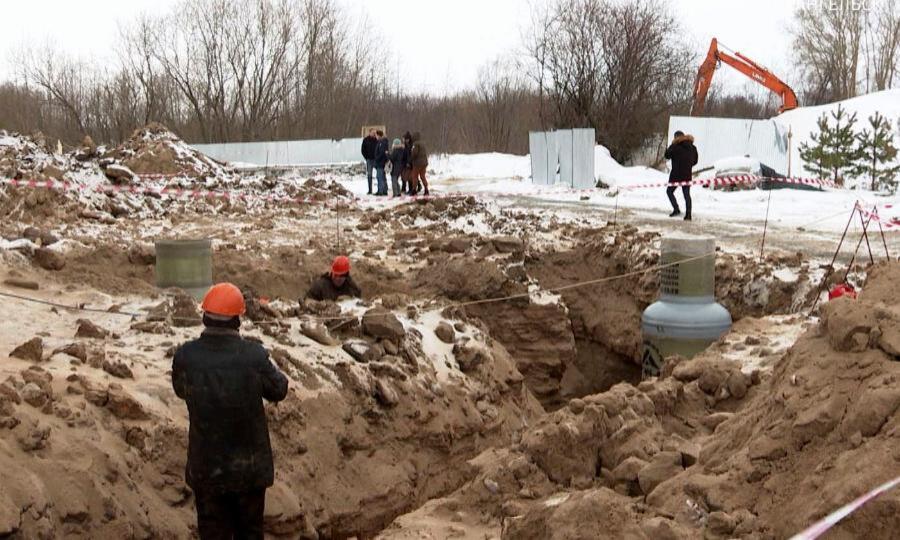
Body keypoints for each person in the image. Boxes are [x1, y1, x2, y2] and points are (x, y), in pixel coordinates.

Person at [172, 282, 289, 539]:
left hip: (207, 470)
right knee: (250, 533)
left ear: (204, 317)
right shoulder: (254, 356)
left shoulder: (186, 357)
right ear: (238, 319)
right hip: (249, 471)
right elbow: (279, 389)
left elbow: (181, 390)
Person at [664, 130, 698, 221]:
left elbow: (667, 155)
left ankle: (676, 209)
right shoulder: (693, 147)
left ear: (676, 138)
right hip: (687, 174)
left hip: (675, 174)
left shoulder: (675, 146)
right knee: (686, 194)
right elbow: (695, 161)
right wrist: (687, 166)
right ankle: (688, 214)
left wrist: (672, 145)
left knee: (669, 191)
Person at [408, 131, 429, 196]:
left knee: (415, 177)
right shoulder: (423, 143)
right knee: (423, 176)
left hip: (417, 163)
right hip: (424, 163)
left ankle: (414, 190)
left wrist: (410, 160)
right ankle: (426, 189)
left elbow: (414, 154)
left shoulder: (415, 144)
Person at [361, 128, 378, 195]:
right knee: (369, 175)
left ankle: (381, 189)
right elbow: (363, 150)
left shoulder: (376, 140)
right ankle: (370, 190)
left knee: (379, 174)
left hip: (376, 159)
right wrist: (366, 157)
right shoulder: (365, 140)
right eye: (373, 132)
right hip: (369, 160)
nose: (374, 134)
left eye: (375, 133)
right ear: (369, 132)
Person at [374, 130, 390, 196]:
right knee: (382, 177)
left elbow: (381, 153)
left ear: (379, 135)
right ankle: (384, 190)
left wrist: (377, 158)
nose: (376, 137)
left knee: (379, 177)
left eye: (376, 135)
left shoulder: (382, 143)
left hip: (380, 162)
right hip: (381, 162)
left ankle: (381, 191)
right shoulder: (381, 142)